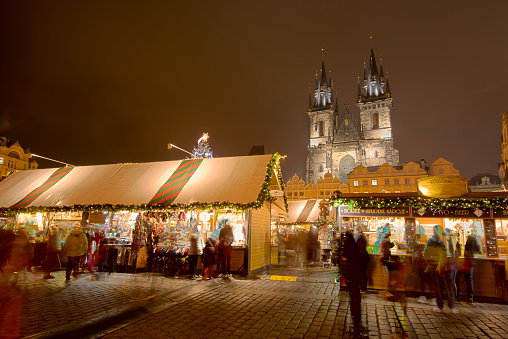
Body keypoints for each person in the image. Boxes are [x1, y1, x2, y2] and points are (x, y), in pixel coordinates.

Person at [343, 228, 369, 337]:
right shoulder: (357, 255)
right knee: (355, 303)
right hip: (355, 281)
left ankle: (356, 325)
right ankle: (357, 327)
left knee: (355, 303)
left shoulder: (351, 253)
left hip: (353, 281)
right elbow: (360, 269)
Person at [424, 225, 456, 313]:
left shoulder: (431, 241)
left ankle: (440, 307)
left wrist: (431, 263)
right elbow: (453, 253)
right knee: (449, 287)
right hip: (448, 267)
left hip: (436, 267)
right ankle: (451, 307)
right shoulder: (448, 240)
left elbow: (425, 253)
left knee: (438, 287)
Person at [457, 231, 481, 304]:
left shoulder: (467, 248)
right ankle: (470, 297)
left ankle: (458, 295)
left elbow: (465, 257)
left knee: (457, 279)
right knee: (469, 280)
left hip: (466, 265)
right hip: (470, 265)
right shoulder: (474, 248)